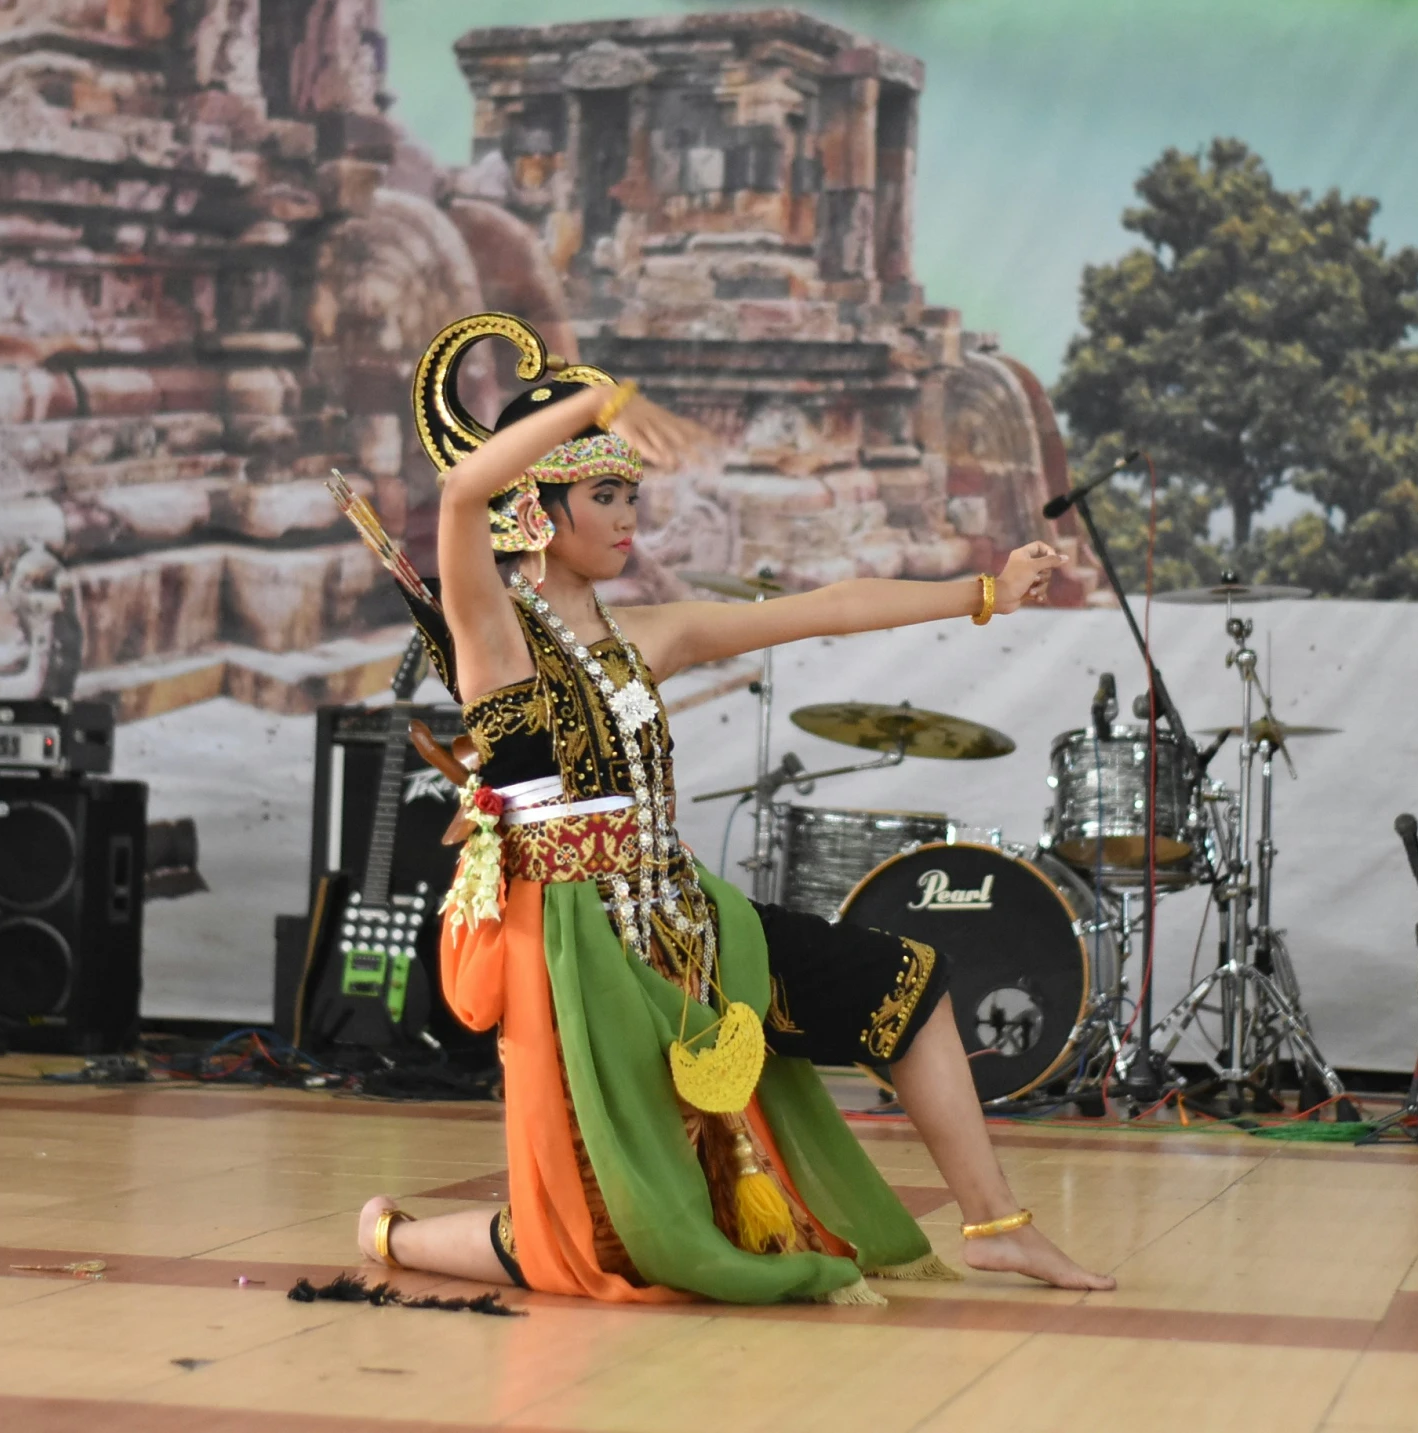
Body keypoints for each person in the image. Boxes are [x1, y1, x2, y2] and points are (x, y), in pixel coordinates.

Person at [354, 315, 1114, 1303]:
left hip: (691, 921)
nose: (630, 517)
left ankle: (997, 1226)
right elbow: (459, 494)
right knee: (620, 1236)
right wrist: (601, 398)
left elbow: (828, 604)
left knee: (904, 982)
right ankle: (397, 1238)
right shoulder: (495, 643)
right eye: (605, 494)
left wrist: (983, 591)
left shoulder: (651, 636)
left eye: (633, 494)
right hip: (584, 956)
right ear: (537, 511)